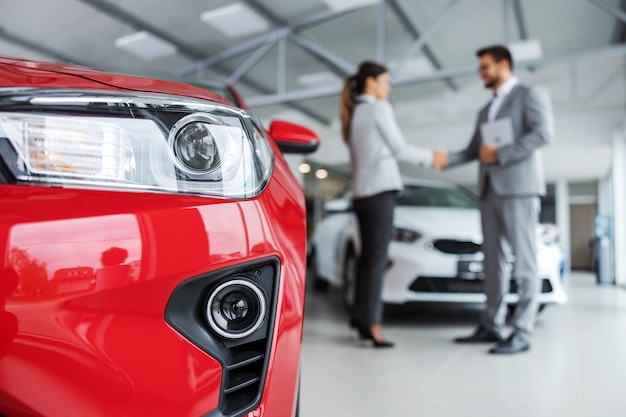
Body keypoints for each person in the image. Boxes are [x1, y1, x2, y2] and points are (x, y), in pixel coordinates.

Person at [439, 45, 554, 354]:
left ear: (504, 64)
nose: (481, 73)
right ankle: (491, 324)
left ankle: (522, 332)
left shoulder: (529, 94)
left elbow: (544, 133)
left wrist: (501, 153)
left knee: (524, 262)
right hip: (489, 190)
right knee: (493, 263)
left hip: (519, 188)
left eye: (485, 67)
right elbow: (473, 150)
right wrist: (443, 159)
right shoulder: (484, 110)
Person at [339, 60, 447, 348]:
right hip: (380, 190)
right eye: (386, 81)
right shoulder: (378, 108)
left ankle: (361, 319)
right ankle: (372, 325)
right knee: (376, 260)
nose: (389, 87)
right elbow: (399, 148)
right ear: (371, 82)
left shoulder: (354, 114)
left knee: (367, 260)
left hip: (362, 193)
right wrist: (430, 157)